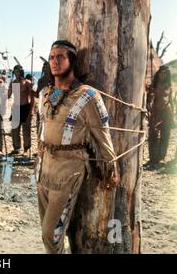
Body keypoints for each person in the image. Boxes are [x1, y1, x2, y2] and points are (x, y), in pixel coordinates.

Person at [36, 40, 119, 254]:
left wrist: (111, 169)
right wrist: (40, 146)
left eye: (60, 56)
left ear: (72, 61)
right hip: (44, 169)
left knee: (50, 233)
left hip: (69, 170)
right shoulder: (47, 93)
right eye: (52, 56)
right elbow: (44, 123)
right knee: (49, 234)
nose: (55, 61)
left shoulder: (88, 95)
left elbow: (103, 136)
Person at [147, 65, 174, 164]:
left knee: (165, 135)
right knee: (153, 134)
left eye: (166, 73)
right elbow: (148, 101)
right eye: (162, 72)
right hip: (155, 112)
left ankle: (161, 157)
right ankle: (153, 158)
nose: (163, 74)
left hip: (167, 112)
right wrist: (150, 95)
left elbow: (171, 101)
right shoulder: (153, 86)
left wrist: (173, 116)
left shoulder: (169, 86)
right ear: (158, 73)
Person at [8, 65, 35, 155]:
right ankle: (16, 148)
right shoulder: (13, 83)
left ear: (21, 72)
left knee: (26, 130)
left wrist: (31, 110)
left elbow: (32, 97)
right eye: (15, 72)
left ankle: (26, 149)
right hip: (15, 108)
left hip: (25, 107)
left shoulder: (27, 83)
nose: (16, 74)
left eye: (18, 72)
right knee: (15, 130)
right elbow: (8, 96)